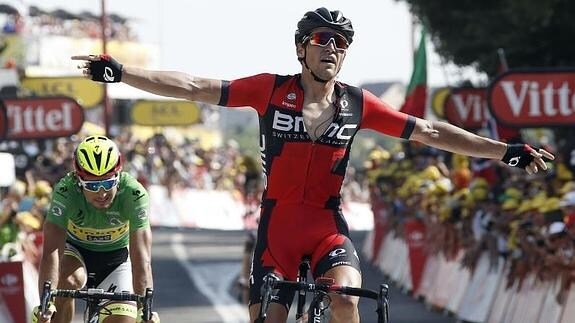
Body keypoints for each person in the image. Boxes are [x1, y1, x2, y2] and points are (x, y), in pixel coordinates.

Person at [72, 7, 554, 323]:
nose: (334, 49)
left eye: (342, 44)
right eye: (324, 39)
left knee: (346, 301)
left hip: (327, 227)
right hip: (277, 229)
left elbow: (429, 131)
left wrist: (504, 149)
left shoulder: (359, 104)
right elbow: (196, 86)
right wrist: (122, 72)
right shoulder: (268, 90)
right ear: (302, 47)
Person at [33, 135, 158, 323]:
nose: (102, 193)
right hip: (75, 254)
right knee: (66, 282)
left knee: (125, 319)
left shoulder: (134, 194)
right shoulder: (66, 191)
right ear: (78, 179)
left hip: (116, 260)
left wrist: (145, 310)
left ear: (119, 174)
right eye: (92, 185)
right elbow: (51, 251)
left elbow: (141, 259)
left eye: (108, 183)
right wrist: (46, 302)